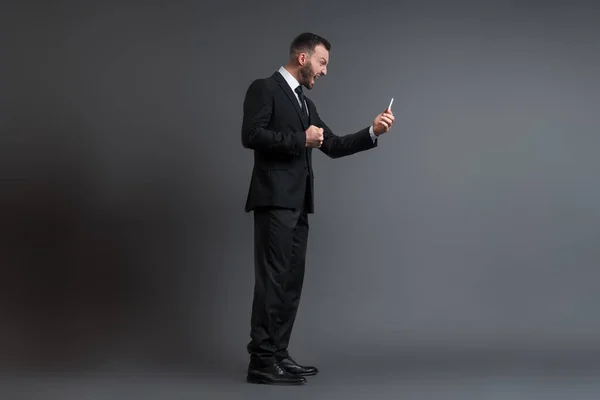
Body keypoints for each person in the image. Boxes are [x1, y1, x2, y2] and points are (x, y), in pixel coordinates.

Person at [241, 32, 395, 385]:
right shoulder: (264, 88)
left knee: (291, 282)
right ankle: (261, 361)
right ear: (302, 58)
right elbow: (250, 135)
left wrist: (372, 131)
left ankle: (278, 354)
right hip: (274, 202)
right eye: (322, 62)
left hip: (299, 206)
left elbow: (334, 145)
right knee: (273, 280)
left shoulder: (306, 105)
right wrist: (300, 140)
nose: (324, 71)